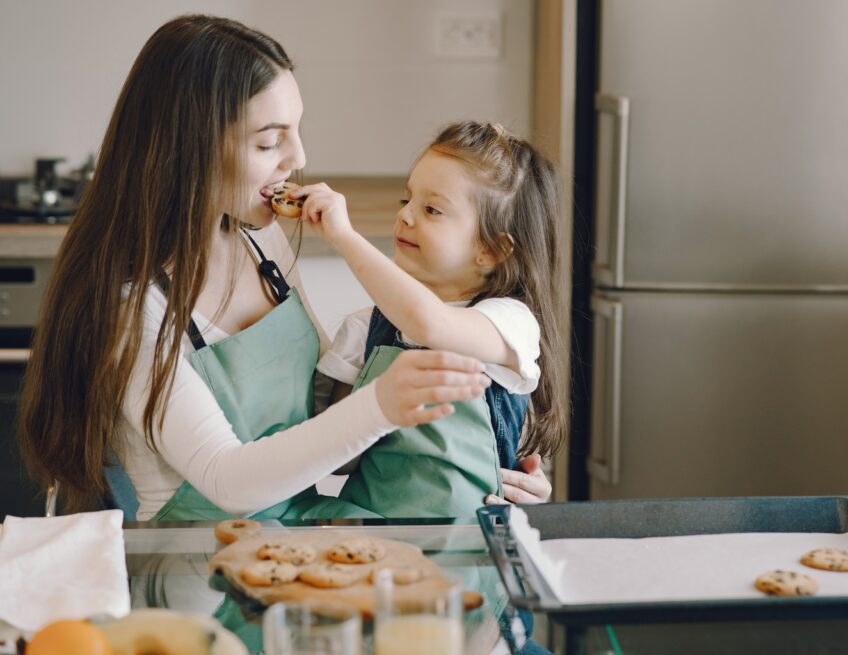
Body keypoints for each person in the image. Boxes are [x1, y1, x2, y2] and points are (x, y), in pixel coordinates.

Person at [16, 14, 550, 521]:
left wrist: (480, 466)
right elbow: (227, 480)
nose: (297, 156)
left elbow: (319, 435)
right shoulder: (131, 306)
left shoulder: (263, 242)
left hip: (297, 550)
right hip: (198, 571)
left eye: (295, 131)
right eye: (269, 140)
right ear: (191, 148)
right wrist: (383, 405)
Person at [286, 121, 567, 518]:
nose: (406, 217)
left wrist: (344, 237)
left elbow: (430, 326)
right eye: (407, 200)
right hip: (377, 543)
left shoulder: (509, 322)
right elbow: (338, 461)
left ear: (491, 249)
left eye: (432, 209)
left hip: (471, 547)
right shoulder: (364, 330)